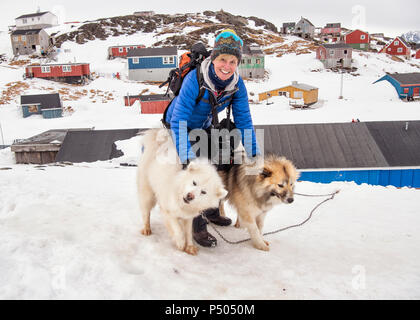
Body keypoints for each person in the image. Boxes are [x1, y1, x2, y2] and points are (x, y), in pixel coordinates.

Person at [164, 29, 260, 247]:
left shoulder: (237, 85)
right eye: (222, 60)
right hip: (179, 125)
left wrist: (255, 156)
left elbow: (245, 121)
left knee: (220, 155)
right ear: (213, 58)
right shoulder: (194, 79)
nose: (227, 66)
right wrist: (189, 158)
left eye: (233, 61)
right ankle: (196, 225)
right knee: (197, 169)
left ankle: (212, 209)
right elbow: (179, 121)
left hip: (204, 125)